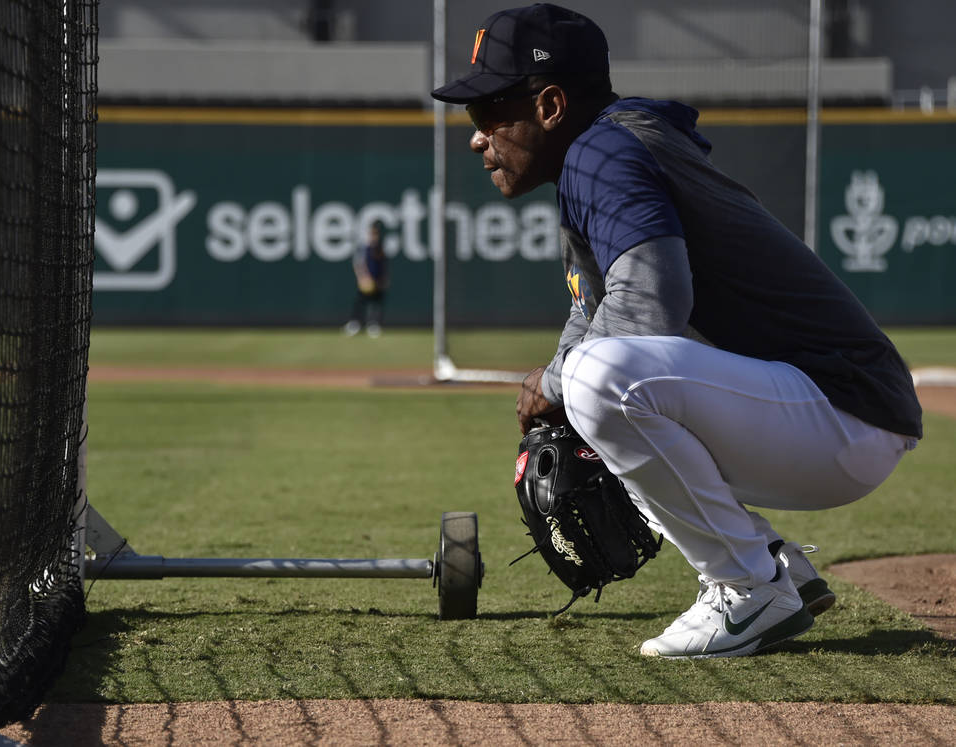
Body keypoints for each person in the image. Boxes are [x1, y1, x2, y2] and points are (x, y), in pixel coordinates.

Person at [432, 3, 922, 659]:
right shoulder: (607, 146)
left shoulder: (601, 154)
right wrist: (551, 382)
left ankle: (747, 588)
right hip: (825, 411)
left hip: (841, 409)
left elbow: (651, 301)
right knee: (585, 375)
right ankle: (780, 568)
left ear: (549, 104)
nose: (476, 136)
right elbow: (594, 307)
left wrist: (562, 383)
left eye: (488, 112)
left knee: (596, 379)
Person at [343, 221, 389, 338]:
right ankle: (354, 324)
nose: (374, 236)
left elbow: (384, 265)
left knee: (377, 303)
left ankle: (373, 325)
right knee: (360, 302)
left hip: (377, 280)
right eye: (372, 234)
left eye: (375, 234)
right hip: (366, 280)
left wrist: (384, 278)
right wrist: (362, 277)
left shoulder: (380, 248)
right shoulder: (364, 248)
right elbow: (358, 264)